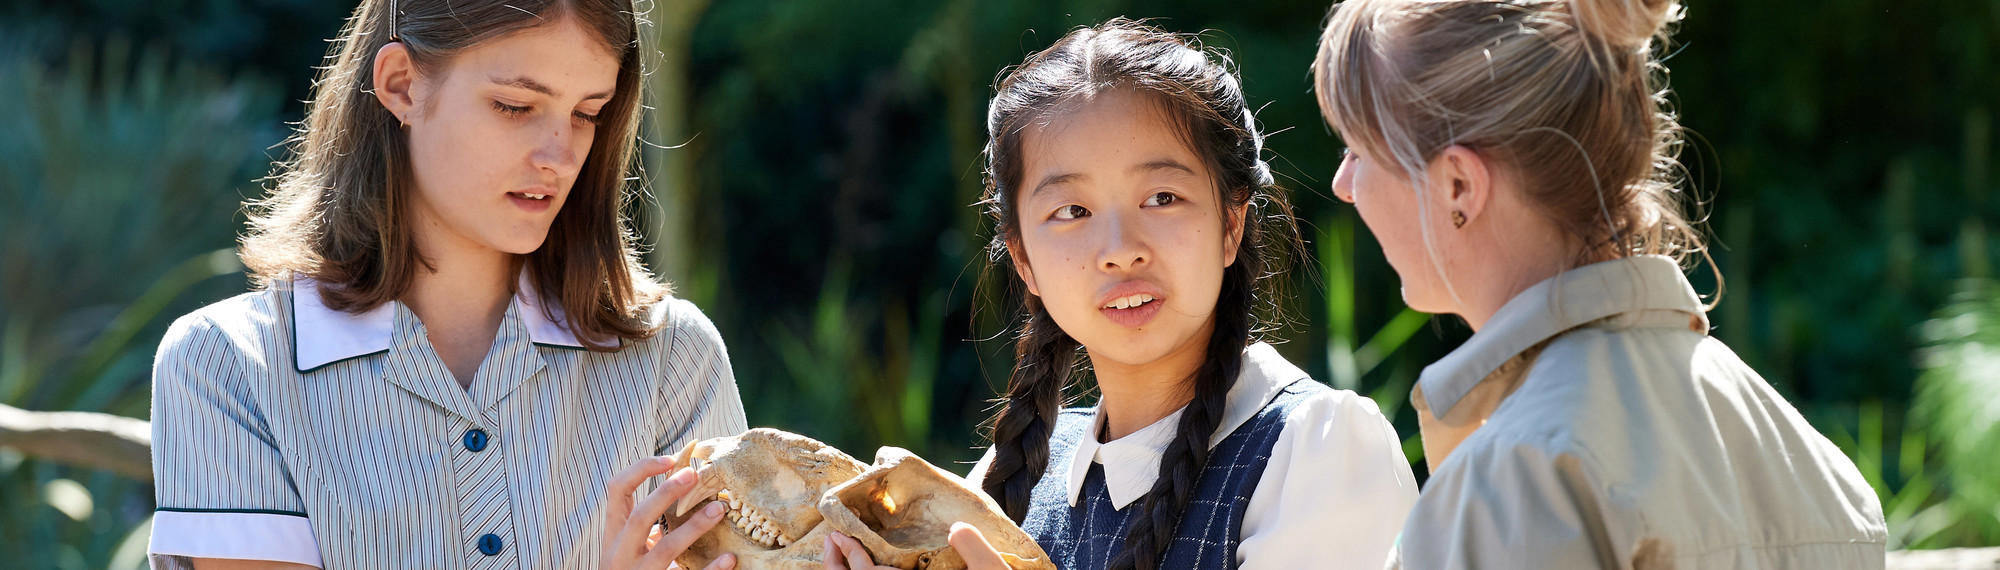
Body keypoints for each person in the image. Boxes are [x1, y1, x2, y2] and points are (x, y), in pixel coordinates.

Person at [145, 1, 746, 567]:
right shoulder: (228, 366)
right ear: (401, 83)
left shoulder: (676, 360)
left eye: (587, 114)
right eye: (515, 105)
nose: (560, 156)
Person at [1311, 0, 1888, 567]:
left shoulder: (1518, 479)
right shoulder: (1809, 460)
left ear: (1458, 186)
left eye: (1357, 150)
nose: (1343, 183)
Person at [826, 18, 1419, 570]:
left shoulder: (1318, 448)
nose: (1120, 248)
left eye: (1162, 197)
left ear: (1231, 224)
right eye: (1072, 210)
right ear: (1024, 259)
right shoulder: (1014, 480)